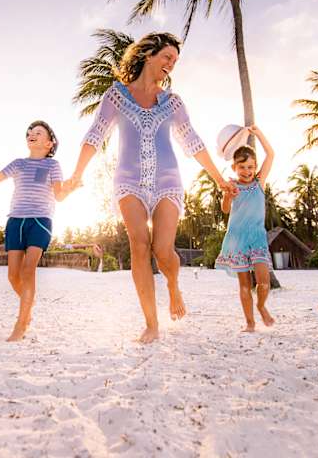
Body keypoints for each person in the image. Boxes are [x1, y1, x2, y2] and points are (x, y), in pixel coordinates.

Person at [66, 32, 236, 344]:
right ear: (148, 55)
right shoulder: (116, 96)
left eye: (175, 61)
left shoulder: (172, 102)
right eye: (166, 57)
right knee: (139, 246)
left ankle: (173, 284)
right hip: (128, 182)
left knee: (162, 250)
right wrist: (76, 174)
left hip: (167, 183)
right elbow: (94, 135)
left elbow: (193, 142)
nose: (171, 64)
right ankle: (151, 323)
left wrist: (219, 179)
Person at [0, 121, 74, 341]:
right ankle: (28, 307)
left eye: (38, 132)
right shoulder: (18, 163)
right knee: (13, 276)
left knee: (28, 270)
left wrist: (70, 187)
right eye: (30, 132)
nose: (32, 134)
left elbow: (59, 195)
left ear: (49, 143)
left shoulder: (53, 165)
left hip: (39, 220)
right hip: (15, 221)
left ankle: (20, 325)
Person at [214, 125, 275, 332]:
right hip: (237, 239)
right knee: (244, 285)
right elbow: (224, 209)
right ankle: (249, 323)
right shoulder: (232, 186)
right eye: (242, 167)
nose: (247, 171)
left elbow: (271, 154)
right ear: (234, 168)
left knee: (264, 281)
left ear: (255, 166)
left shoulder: (259, 182)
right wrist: (228, 196)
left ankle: (261, 305)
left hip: (257, 237)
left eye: (250, 167)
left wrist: (258, 134)